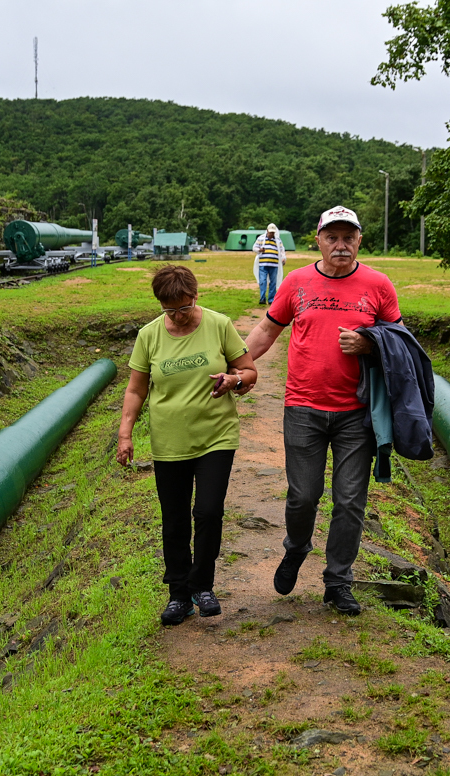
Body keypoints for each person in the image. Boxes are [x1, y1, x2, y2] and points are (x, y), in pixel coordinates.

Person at [237, 206, 402, 616]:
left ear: (360, 240)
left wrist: (370, 344)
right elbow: (267, 330)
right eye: (333, 237)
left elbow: (401, 342)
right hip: (304, 407)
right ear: (319, 240)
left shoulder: (378, 285)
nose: (340, 245)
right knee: (303, 496)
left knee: (349, 501)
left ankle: (338, 582)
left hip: (357, 413)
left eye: (349, 237)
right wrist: (235, 366)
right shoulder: (296, 282)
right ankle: (296, 548)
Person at [117, 265, 258, 625]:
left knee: (209, 512)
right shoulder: (149, 336)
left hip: (216, 436)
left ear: (196, 297)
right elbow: (136, 389)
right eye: (169, 310)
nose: (178, 317)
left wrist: (233, 379)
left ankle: (203, 585)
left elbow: (250, 372)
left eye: (184, 307)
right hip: (169, 440)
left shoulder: (218, 324)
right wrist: (125, 434)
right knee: (175, 519)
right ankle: (179, 594)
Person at [253, 223, 286, 305]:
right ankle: (262, 298)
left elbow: (282, 250)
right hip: (263, 264)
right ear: (267, 231)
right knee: (263, 281)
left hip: (274, 265)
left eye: (273, 232)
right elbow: (254, 248)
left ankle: (271, 299)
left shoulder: (278, 240)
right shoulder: (261, 238)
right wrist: (260, 250)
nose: (271, 234)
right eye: (270, 232)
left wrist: (283, 258)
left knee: (273, 282)